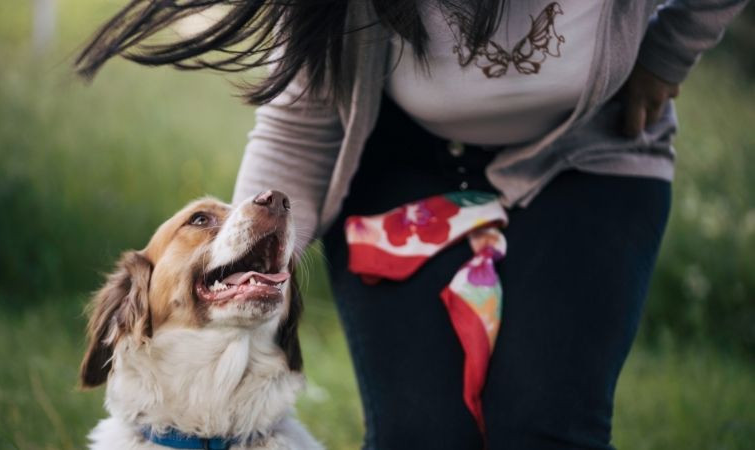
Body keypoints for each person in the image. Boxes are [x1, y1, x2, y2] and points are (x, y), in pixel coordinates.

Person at [76, 1, 748, 448]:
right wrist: (245, 254)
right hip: (396, 158)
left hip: (591, 153)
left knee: (544, 425)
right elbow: (297, 127)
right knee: (421, 434)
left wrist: (672, 46)